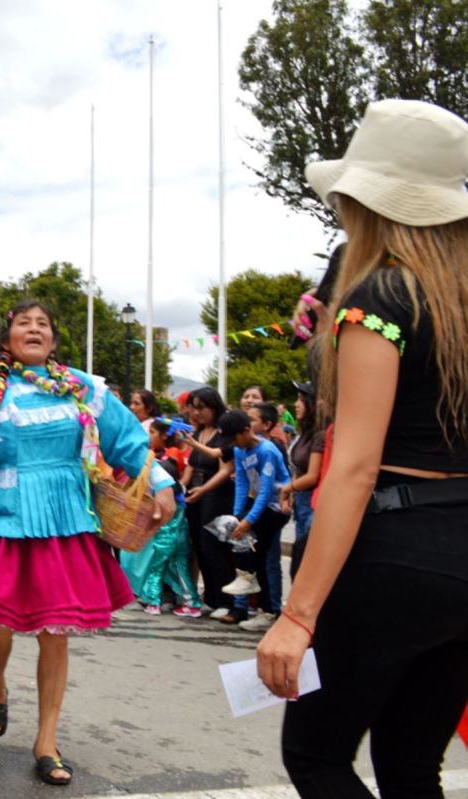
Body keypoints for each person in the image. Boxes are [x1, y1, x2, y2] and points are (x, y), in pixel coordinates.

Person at [257, 99, 468, 797]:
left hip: (393, 550)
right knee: (412, 766)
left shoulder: (378, 297)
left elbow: (351, 466)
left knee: (316, 755)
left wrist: (296, 614)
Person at [0, 300, 175, 787]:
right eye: (24, 323)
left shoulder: (84, 387)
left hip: (63, 516)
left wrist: (161, 482)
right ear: (7, 341)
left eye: (43, 324)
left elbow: (125, 437)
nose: (35, 329)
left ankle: (46, 739)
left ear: (54, 341)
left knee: (55, 629)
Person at [218, 410, 289, 631]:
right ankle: (250, 582)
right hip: (258, 503)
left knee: (258, 557)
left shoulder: (267, 450)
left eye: (235, 438)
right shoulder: (240, 450)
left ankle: (266, 608)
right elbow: (241, 482)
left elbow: (268, 491)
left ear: (247, 430)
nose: (234, 444)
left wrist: (248, 521)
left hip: (276, 506)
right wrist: (238, 515)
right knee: (232, 533)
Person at [124, 419, 202, 618]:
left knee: (157, 570)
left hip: (166, 541)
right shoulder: (176, 493)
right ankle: (177, 601)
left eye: (151, 431)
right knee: (171, 569)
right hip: (174, 539)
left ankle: (159, 602)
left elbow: (159, 515)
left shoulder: (167, 487)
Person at [180, 387, 236, 620]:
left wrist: (203, 490)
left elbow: (226, 470)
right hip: (195, 494)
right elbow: (190, 467)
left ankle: (225, 599)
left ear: (215, 407)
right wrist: (179, 487)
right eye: (193, 406)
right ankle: (211, 597)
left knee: (214, 546)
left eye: (202, 407)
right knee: (199, 547)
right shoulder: (198, 433)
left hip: (216, 494)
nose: (197, 412)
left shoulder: (224, 434)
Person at [279, 382, 323, 580]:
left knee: (308, 564)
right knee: (298, 564)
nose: (296, 404)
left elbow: (313, 475)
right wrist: (293, 493)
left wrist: (287, 489)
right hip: (301, 503)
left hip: (315, 503)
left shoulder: (320, 435)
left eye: (301, 400)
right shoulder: (304, 435)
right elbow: (299, 468)